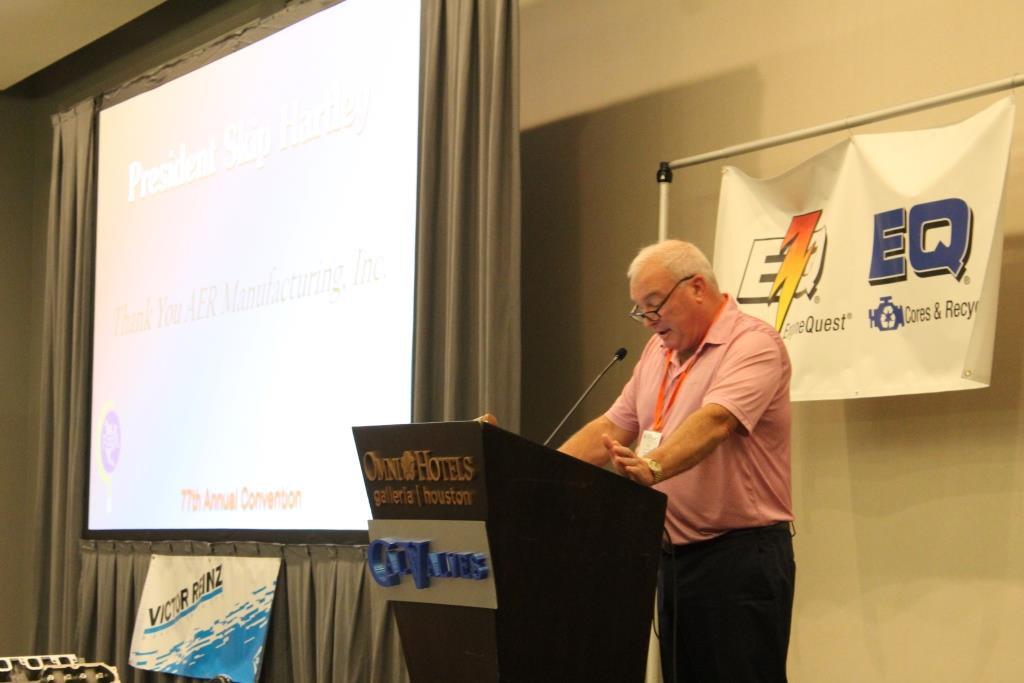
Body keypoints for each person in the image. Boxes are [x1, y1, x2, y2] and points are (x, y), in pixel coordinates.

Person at [559, 239, 795, 683]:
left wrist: (653, 466)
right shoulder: (658, 352)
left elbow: (717, 421)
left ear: (697, 288)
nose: (649, 320)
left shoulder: (753, 344)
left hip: (740, 558)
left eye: (655, 304)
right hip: (674, 559)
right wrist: (539, 473)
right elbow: (612, 426)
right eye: (640, 310)